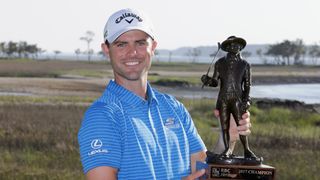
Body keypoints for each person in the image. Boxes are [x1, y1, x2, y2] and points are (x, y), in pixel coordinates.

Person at [78, 9, 252, 180]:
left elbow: (202, 171)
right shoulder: (101, 116)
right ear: (106, 49)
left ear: (153, 46)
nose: (132, 52)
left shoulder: (174, 107)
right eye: (121, 44)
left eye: (140, 43)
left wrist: (227, 137)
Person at [201, 36, 256, 159]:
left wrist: (247, 100)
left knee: (241, 125)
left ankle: (247, 150)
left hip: (238, 99)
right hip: (223, 99)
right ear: (226, 48)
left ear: (241, 47)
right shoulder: (220, 63)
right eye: (231, 45)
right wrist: (208, 80)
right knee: (224, 126)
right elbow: (215, 82)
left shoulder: (245, 64)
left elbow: (247, 85)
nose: (234, 47)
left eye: (237, 45)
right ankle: (226, 149)